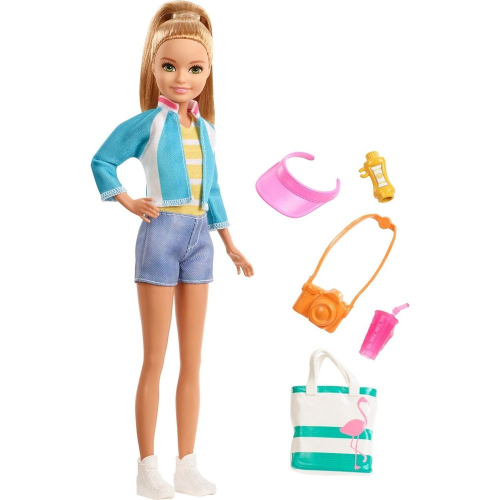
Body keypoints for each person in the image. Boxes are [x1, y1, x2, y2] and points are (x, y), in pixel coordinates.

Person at [91, 2, 253, 497]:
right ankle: (147, 468)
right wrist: (128, 201)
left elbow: (215, 191)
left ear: (208, 71)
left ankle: (187, 463)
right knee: (155, 359)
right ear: (154, 67)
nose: (182, 78)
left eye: (195, 68)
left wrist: (230, 244)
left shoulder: (206, 130)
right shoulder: (149, 123)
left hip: (200, 240)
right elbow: (102, 161)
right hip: (160, 234)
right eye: (170, 66)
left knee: (193, 360)